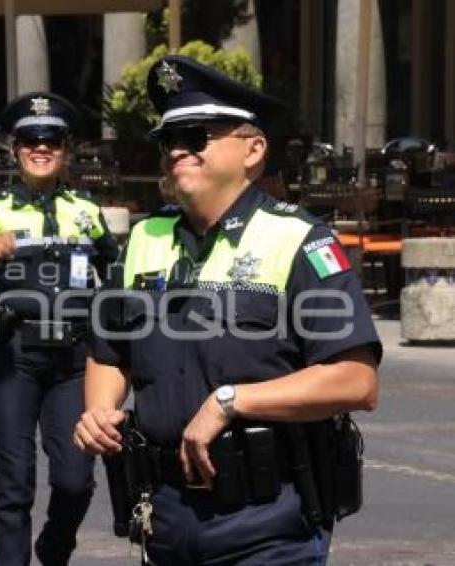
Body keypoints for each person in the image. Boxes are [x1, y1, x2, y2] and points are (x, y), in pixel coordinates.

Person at [74, 55, 382, 564]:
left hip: (268, 521)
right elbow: (109, 352)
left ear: (253, 150)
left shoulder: (299, 239)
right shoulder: (143, 240)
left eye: (196, 136)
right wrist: (99, 410)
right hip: (166, 518)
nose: (178, 150)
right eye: (167, 139)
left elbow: (356, 381)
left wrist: (231, 400)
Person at [0, 92, 119, 565]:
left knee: (75, 478)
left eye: (50, 140)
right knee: (14, 480)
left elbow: (119, 275)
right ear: (14, 149)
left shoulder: (86, 211)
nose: (39, 148)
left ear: (67, 149)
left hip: (72, 359)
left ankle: (54, 546)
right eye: (29, 140)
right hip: (13, 357)